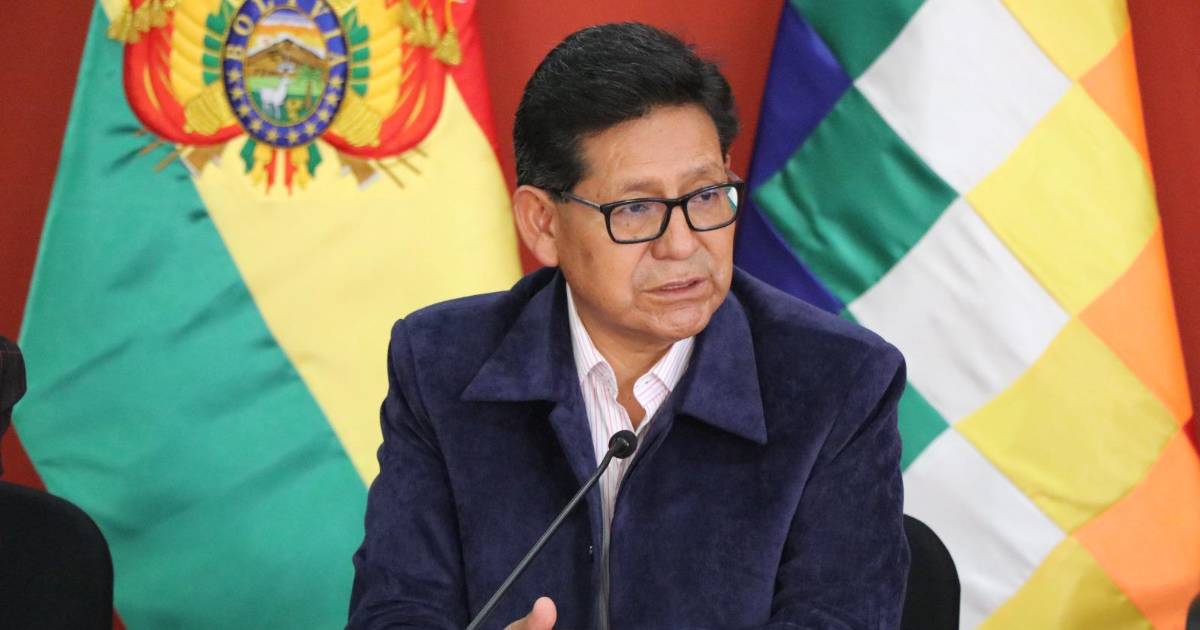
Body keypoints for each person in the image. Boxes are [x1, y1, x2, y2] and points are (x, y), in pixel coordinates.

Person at [348, 22, 909, 629]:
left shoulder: (839, 381)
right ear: (542, 224)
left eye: (705, 195)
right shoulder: (441, 364)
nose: (682, 244)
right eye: (636, 208)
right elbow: (397, 608)